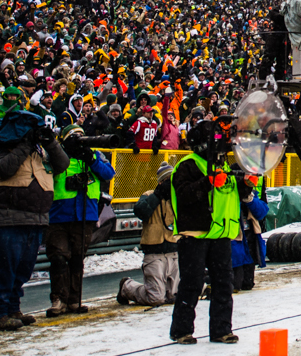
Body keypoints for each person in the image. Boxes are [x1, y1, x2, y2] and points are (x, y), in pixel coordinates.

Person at [0, 111, 69, 331]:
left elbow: (62, 164)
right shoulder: (3, 147)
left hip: (36, 217)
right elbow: (5, 168)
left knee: (23, 269)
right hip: (8, 216)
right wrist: (24, 143)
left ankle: (13, 309)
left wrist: (50, 142)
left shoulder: (41, 150)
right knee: (5, 267)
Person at [169, 117, 240, 343]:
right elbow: (184, 195)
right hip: (195, 233)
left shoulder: (223, 167)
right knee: (192, 283)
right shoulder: (187, 165)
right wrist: (208, 182)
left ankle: (221, 329)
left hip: (220, 233)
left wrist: (246, 184)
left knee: (223, 283)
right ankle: (181, 330)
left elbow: (230, 195)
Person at [45, 124, 115, 316]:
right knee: (58, 257)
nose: (79, 140)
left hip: (85, 214)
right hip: (59, 214)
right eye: (74, 136)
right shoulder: (57, 156)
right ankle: (58, 299)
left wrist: (91, 160)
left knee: (77, 259)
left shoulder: (94, 155)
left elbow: (109, 173)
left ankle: (74, 300)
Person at [119, 161, 179, 306]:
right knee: (156, 298)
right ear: (160, 182)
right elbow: (140, 211)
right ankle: (126, 286)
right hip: (154, 253)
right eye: (166, 180)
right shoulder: (149, 195)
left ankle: (165, 290)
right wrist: (158, 195)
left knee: (174, 296)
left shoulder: (177, 197)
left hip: (174, 252)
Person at [231, 173, 268, 291]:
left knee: (247, 284)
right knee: (235, 283)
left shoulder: (256, 184)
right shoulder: (231, 194)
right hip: (235, 237)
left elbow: (262, 212)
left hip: (248, 236)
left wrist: (250, 200)